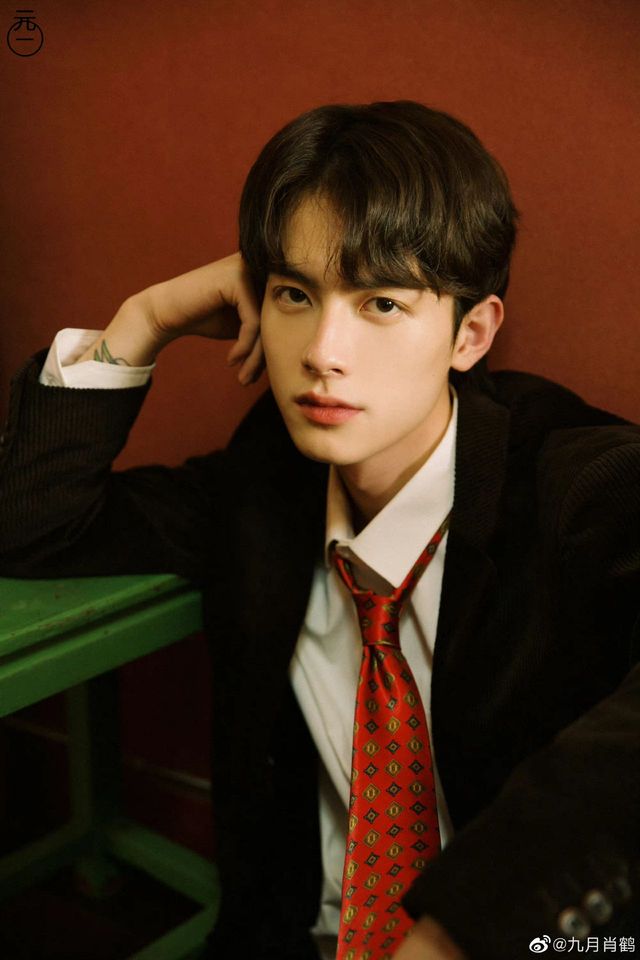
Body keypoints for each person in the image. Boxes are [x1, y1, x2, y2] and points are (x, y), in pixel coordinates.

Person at [0, 101, 638, 960]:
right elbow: (31, 526)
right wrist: (146, 318)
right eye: (295, 295)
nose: (322, 351)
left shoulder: (573, 481)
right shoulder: (265, 482)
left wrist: (467, 925)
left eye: (381, 303)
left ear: (472, 333)